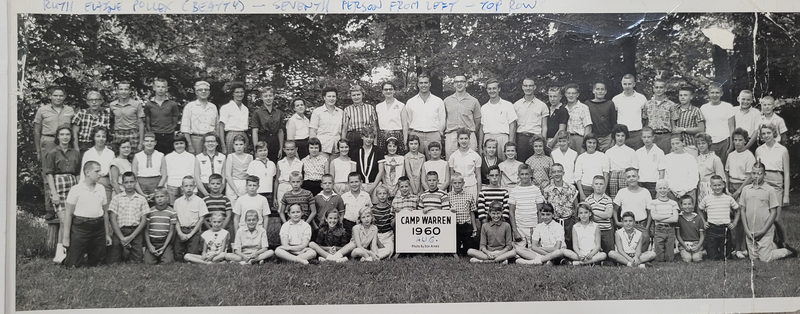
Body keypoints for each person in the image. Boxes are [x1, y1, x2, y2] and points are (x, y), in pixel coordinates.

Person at [739, 163, 796, 262]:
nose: (756, 176)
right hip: (750, 230)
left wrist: (763, 231)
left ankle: (786, 251)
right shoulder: (746, 189)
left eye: (759, 173)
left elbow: (773, 212)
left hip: (765, 230)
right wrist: (746, 230)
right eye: (754, 173)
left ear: (764, 175)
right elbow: (743, 210)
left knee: (765, 259)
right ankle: (772, 246)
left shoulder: (769, 190)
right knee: (754, 259)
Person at [36, 86, 76, 218]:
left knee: (65, 171)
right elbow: (36, 131)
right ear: (50, 96)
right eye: (55, 95)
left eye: (61, 95)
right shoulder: (42, 110)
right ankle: (50, 209)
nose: (58, 98)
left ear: (64, 97)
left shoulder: (70, 110)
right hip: (48, 141)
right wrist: (38, 150)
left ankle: (67, 206)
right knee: (48, 173)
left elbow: (74, 129)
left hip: (64, 140)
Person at [61, 161, 109, 267]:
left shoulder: (101, 188)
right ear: (87, 172)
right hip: (80, 228)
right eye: (97, 171)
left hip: (98, 228)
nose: (100, 173)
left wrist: (107, 234)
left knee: (99, 264)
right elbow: (68, 214)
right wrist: (66, 238)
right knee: (72, 265)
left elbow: (105, 213)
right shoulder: (76, 189)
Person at [754, 124, 791, 241]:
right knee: (764, 215)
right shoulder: (759, 150)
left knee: (775, 217)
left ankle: (782, 243)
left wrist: (786, 195)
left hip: (776, 182)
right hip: (763, 181)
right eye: (763, 133)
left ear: (774, 133)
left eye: (768, 133)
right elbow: (757, 171)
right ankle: (766, 242)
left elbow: (786, 173)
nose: (766, 136)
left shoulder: (782, 150)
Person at [106, 171, 149, 264]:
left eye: (131, 182)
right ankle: (123, 253)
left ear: (135, 182)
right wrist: (122, 238)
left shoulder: (141, 199)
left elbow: (144, 220)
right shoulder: (117, 198)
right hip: (120, 231)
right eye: (126, 182)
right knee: (113, 261)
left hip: (135, 231)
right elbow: (112, 219)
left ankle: (129, 253)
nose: (129, 185)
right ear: (122, 184)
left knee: (137, 261)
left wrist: (132, 236)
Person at [726, 128, 755, 257]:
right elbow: (726, 173)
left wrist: (738, 191)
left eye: (740, 140)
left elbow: (749, 177)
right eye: (735, 140)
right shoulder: (731, 155)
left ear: (745, 141)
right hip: (730, 186)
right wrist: (726, 189)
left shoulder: (749, 155)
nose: (737, 143)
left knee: (741, 218)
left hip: (743, 187)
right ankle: (734, 246)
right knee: (732, 218)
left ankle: (742, 247)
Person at [403, 74, 445, 159]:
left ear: (430, 84)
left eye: (426, 82)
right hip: (416, 135)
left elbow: (442, 119)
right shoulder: (411, 102)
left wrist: (438, 132)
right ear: (418, 84)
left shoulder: (438, 101)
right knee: (416, 163)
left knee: (434, 162)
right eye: (421, 83)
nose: (423, 85)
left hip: (433, 135)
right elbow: (408, 121)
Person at [698, 175, 739, 260]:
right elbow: (699, 210)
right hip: (712, 228)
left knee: (725, 257)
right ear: (711, 186)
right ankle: (711, 251)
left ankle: (727, 252)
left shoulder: (728, 198)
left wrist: (734, 222)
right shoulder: (707, 198)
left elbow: (738, 210)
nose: (717, 187)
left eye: (719, 185)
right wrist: (704, 222)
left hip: (725, 228)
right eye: (715, 185)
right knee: (712, 257)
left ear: (723, 185)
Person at [613, 168, 653, 252]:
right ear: (625, 179)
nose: (631, 178)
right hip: (626, 224)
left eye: (634, 176)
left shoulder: (645, 192)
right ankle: (628, 258)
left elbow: (650, 212)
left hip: (641, 224)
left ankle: (639, 257)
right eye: (628, 177)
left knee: (645, 238)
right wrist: (617, 222)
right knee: (625, 243)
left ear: (638, 177)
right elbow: (615, 209)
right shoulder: (622, 192)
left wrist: (647, 227)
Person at [542, 163, 579, 248]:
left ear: (563, 173)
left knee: (569, 244)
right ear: (551, 174)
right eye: (554, 172)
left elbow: (576, 206)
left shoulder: (571, 188)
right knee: (554, 244)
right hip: (554, 221)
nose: (557, 174)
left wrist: (575, 221)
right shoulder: (547, 190)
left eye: (559, 171)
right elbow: (546, 208)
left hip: (568, 221)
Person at [443, 75, 481, 158]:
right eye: (457, 82)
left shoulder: (474, 101)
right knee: (451, 163)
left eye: (462, 81)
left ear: (466, 84)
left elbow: (477, 122)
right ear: (454, 84)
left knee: (470, 162)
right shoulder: (447, 101)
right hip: (451, 135)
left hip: (469, 135)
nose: (459, 84)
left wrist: (470, 132)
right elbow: (443, 119)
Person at [479, 78, 517, 161]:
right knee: (489, 166)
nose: (492, 91)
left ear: (499, 89)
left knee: (504, 164)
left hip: (503, 139)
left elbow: (512, 125)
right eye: (489, 89)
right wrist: (480, 146)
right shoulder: (484, 108)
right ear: (486, 90)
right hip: (488, 138)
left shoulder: (508, 105)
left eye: (494, 88)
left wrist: (510, 144)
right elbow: (481, 128)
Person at [172, 176, 209, 262]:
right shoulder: (177, 202)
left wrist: (190, 234)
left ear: (194, 187)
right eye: (186, 186)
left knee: (193, 255)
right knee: (178, 257)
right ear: (182, 187)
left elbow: (201, 219)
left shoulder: (199, 201)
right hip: (181, 230)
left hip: (194, 231)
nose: (188, 188)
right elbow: (176, 219)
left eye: (191, 186)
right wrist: (180, 233)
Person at [509, 164, 545, 248]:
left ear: (531, 175)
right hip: (520, 227)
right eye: (522, 174)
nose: (524, 176)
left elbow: (540, 211)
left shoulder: (536, 190)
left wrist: (539, 229)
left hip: (533, 227)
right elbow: (511, 212)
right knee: (519, 253)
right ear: (518, 175)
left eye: (527, 174)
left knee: (535, 251)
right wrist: (515, 231)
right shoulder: (514, 191)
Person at [514, 78, 549, 161]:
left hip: (536, 138)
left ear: (534, 87)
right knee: (521, 164)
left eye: (530, 86)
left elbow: (544, 127)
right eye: (526, 86)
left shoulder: (542, 105)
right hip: (521, 138)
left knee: (536, 163)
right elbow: (514, 126)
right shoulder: (516, 105)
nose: (528, 88)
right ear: (522, 87)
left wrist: (543, 142)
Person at [700, 83, 734, 164]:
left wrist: (731, 145)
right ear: (708, 94)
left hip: (725, 141)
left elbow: (732, 127)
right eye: (712, 93)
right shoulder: (703, 108)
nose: (715, 95)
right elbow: (702, 128)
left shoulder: (728, 107)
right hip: (710, 142)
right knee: (710, 165)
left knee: (724, 166)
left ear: (721, 93)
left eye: (717, 92)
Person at [180, 81, 218, 154]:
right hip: (195, 140)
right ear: (196, 92)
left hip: (210, 140)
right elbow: (185, 128)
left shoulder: (213, 107)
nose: (203, 91)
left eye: (206, 90)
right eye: (200, 90)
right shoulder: (190, 106)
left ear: (209, 92)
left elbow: (217, 126)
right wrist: (190, 145)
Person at [145, 78, 181, 154]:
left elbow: (175, 118)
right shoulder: (149, 104)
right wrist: (150, 132)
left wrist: (172, 129)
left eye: (163, 87)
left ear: (166, 89)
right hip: (155, 135)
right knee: (155, 158)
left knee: (169, 157)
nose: (160, 89)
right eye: (158, 87)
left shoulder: (172, 104)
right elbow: (147, 119)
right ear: (154, 88)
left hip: (169, 135)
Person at [79, 126, 115, 202]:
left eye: (103, 136)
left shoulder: (111, 153)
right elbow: (83, 173)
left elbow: (113, 174)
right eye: (98, 136)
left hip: (106, 186)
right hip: (91, 185)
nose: (101, 139)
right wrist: (82, 188)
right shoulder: (88, 153)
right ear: (94, 138)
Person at [648, 179, 680, 262]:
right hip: (659, 229)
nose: (662, 190)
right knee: (659, 256)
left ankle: (669, 260)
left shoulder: (673, 203)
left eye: (665, 188)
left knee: (670, 257)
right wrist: (669, 215)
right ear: (656, 190)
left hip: (670, 229)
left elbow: (675, 219)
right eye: (660, 188)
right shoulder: (653, 203)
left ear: (668, 189)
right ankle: (660, 261)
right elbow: (654, 217)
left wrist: (660, 217)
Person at [612, 74, 647, 149]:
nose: (627, 86)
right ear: (621, 84)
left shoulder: (641, 98)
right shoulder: (616, 99)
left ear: (634, 84)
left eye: (629, 84)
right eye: (625, 84)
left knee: (637, 157)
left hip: (637, 134)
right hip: (621, 135)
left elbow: (645, 117)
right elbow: (613, 117)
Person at [250, 86, 285, 162]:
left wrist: (281, 148)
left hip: (275, 143)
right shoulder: (257, 113)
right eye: (265, 96)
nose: (268, 98)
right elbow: (254, 132)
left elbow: (280, 131)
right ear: (262, 98)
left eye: (270, 96)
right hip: (263, 142)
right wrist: (256, 149)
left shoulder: (279, 113)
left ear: (273, 96)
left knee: (275, 166)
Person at [109, 81, 146, 153]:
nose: (123, 92)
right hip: (118, 135)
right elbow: (111, 121)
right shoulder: (112, 105)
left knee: (133, 159)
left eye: (126, 89)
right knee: (118, 159)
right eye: (121, 89)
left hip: (132, 134)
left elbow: (141, 123)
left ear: (129, 91)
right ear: (117, 91)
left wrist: (141, 143)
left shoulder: (136, 104)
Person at [143, 188, 177, 264]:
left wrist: (164, 246)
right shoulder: (150, 211)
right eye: (157, 197)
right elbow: (146, 230)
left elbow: (171, 231)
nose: (159, 199)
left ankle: (164, 253)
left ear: (167, 198)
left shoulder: (172, 212)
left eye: (162, 196)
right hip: (152, 241)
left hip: (165, 242)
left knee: (167, 261)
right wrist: (149, 246)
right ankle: (152, 254)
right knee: (148, 262)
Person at [642, 79, 676, 154]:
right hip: (651, 137)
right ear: (653, 89)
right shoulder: (647, 104)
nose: (659, 90)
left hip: (665, 136)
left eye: (661, 87)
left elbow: (673, 124)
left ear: (665, 89)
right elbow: (645, 122)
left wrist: (673, 138)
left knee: (665, 159)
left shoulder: (671, 105)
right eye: (656, 87)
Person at [132, 133, 167, 204]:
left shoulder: (161, 155)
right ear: (143, 143)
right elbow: (134, 177)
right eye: (147, 141)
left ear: (155, 143)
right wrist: (141, 193)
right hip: (140, 186)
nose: (149, 143)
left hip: (156, 185)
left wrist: (156, 192)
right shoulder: (137, 156)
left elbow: (164, 175)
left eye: (152, 141)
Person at [341, 84, 378, 152]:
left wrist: (375, 143)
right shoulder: (347, 110)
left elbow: (374, 127)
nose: (356, 97)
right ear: (351, 96)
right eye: (353, 95)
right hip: (353, 137)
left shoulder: (370, 108)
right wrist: (343, 143)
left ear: (362, 95)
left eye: (358, 94)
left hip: (367, 136)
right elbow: (345, 128)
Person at [605, 124, 638, 198]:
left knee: (626, 198)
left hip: (626, 178)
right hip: (613, 178)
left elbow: (635, 169)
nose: (620, 138)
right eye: (618, 135)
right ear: (614, 136)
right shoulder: (609, 152)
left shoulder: (631, 151)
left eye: (622, 136)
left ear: (626, 137)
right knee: (614, 199)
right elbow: (607, 170)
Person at [663, 136, 699, 204]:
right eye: (673, 144)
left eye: (677, 143)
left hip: (688, 192)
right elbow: (665, 176)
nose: (675, 146)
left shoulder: (690, 158)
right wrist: (672, 189)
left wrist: (684, 190)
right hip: (671, 192)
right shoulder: (667, 158)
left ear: (683, 143)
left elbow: (694, 177)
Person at [449, 174, 478, 256]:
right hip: (455, 224)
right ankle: (456, 253)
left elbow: (472, 212)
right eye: (455, 183)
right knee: (456, 244)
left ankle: (465, 251)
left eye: (459, 183)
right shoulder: (448, 196)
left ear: (463, 183)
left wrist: (474, 227)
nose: (457, 185)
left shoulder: (469, 195)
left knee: (468, 247)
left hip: (466, 224)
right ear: (452, 184)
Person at [671, 86, 705, 156]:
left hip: (691, 146)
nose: (682, 97)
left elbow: (701, 129)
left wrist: (683, 129)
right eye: (681, 95)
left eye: (685, 95)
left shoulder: (696, 110)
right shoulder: (675, 109)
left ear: (691, 97)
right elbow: (673, 127)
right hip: (677, 146)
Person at [448, 128, 482, 198]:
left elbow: (478, 176)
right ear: (458, 140)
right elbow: (451, 176)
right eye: (461, 138)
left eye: (466, 138)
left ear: (469, 140)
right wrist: (451, 192)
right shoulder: (453, 156)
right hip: (457, 187)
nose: (464, 141)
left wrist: (479, 193)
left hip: (472, 186)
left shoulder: (475, 156)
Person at [310, 87, 343, 158]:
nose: (331, 98)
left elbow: (343, 130)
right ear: (324, 97)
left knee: (335, 168)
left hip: (336, 148)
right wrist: (314, 148)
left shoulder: (341, 112)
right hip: (322, 147)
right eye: (329, 96)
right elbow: (313, 131)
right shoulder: (317, 112)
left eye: (333, 96)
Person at [574, 134, 609, 201]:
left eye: (594, 143)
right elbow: (577, 177)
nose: (592, 145)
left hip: (599, 188)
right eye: (589, 142)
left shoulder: (603, 156)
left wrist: (603, 191)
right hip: (585, 189)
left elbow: (606, 174)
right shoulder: (581, 157)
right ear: (585, 143)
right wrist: (581, 193)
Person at [585, 175, 615, 253]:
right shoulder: (588, 200)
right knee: (592, 251)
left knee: (610, 254)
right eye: (596, 184)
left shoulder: (608, 199)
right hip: (593, 231)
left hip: (606, 230)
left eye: (601, 184)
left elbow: (609, 215)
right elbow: (587, 217)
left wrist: (593, 212)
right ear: (592, 186)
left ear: (604, 186)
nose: (598, 186)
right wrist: (603, 215)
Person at [217, 82, 249, 154]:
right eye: (237, 92)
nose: (240, 94)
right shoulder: (226, 107)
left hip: (243, 135)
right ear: (233, 94)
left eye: (241, 92)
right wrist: (223, 145)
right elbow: (221, 127)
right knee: (230, 159)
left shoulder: (245, 109)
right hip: (231, 135)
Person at [375, 82, 407, 155]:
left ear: (394, 91)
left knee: (398, 159)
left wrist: (405, 142)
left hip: (397, 135)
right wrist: (375, 142)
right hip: (382, 136)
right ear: (382, 91)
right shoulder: (378, 107)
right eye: (386, 89)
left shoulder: (401, 105)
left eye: (390, 89)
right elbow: (376, 126)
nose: (388, 91)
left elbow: (405, 125)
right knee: (383, 158)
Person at [695, 132, 727, 204]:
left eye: (703, 143)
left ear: (708, 143)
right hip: (700, 188)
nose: (701, 146)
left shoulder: (715, 159)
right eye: (699, 144)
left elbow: (721, 177)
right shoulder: (697, 159)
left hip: (712, 188)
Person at [351, 129, 384, 197]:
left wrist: (373, 186)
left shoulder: (378, 151)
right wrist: (360, 186)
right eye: (366, 137)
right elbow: (353, 172)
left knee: (376, 204)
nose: (369, 139)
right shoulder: (356, 151)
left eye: (371, 137)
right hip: (360, 185)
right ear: (362, 137)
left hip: (375, 183)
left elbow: (381, 171)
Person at [164, 135, 196, 205]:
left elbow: (193, 173)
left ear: (185, 144)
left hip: (187, 186)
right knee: (173, 206)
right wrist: (165, 186)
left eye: (181, 143)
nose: (179, 146)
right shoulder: (168, 157)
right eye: (176, 144)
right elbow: (166, 173)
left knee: (187, 205)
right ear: (173, 145)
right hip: (172, 185)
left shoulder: (191, 157)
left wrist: (194, 187)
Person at [586, 82, 617, 152]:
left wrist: (612, 138)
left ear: (605, 91)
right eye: (598, 89)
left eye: (602, 89)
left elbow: (614, 122)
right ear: (593, 91)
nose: (600, 91)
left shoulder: (610, 104)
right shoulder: (587, 104)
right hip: (593, 138)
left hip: (607, 137)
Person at [636, 127, 666, 198]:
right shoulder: (638, 152)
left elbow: (662, 171)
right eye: (644, 137)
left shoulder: (659, 152)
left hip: (653, 183)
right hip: (641, 182)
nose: (646, 139)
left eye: (649, 137)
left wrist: (659, 187)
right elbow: (636, 170)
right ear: (641, 138)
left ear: (653, 137)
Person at [563, 83, 593, 153]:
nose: (571, 95)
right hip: (567, 139)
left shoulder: (583, 108)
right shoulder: (564, 108)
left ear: (577, 95)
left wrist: (584, 144)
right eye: (569, 93)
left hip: (579, 139)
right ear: (565, 94)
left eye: (573, 93)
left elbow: (588, 128)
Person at [194, 133, 226, 198]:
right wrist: (205, 193)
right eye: (208, 141)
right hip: (204, 187)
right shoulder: (198, 157)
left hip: (218, 187)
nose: (210, 143)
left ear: (217, 143)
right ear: (204, 143)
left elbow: (224, 176)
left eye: (213, 141)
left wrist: (219, 192)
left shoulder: (222, 157)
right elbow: (197, 177)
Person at [224, 134, 253, 205]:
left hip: (245, 184)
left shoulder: (250, 157)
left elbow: (252, 174)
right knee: (233, 207)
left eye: (241, 144)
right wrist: (236, 192)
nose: (239, 147)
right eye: (236, 144)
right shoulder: (230, 156)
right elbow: (228, 175)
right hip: (233, 184)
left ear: (245, 145)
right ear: (233, 146)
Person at [676, 195, 705, 263]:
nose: (687, 206)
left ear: (693, 205)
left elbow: (702, 236)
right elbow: (678, 235)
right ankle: (683, 252)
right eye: (685, 204)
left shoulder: (698, 218)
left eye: (689, 204)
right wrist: (685, 246)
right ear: (681, 206)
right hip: (684, 244)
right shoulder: (679, 218)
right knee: (687, 259)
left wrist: (698, 246)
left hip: (696, 244)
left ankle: (701, 252)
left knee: (696, 259)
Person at [275, 141, 303, 210]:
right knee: (282, 210)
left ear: (296, 149)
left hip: (295, 189)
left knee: (294, 210)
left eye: (292, 149)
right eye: (287, 149)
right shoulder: (280, 163)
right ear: (284, 150)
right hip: (282, 188)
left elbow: (301, 180)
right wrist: (274, 198)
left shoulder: (300, 163)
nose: (290, 152)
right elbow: (276, 181)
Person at [203, 174, 234, 238]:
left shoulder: (226, 199)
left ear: (222, 185)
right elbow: (202, 217)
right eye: (213, 183)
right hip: (208, 230)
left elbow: (228, 215)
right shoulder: (204, 200)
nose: (215, 185)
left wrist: (221, 229)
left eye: (218, 183)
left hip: (223, 230)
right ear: (208, 185)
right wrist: (211, 230)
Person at [372, 185, 395, 259]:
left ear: (388, 195)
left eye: (384, 193)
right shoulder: (372, 210)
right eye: (380, 194)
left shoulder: (391, 209)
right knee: (375, 249)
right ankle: (374, 256)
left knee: (389, 251)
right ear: (376, 195)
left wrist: (396, 216)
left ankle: (371, 258)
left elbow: (392, 225)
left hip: (388, 235)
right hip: (376, 235)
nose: (382, 196)